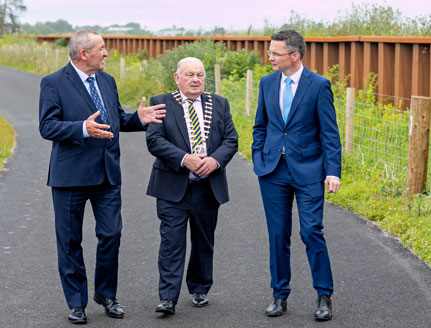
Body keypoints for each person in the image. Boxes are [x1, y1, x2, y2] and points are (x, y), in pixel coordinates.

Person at [38, 30, 166, 324]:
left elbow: (116, 120)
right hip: (70, 177)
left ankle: (107, 294)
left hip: (108, 174)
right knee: (70, 242)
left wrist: (138, 119)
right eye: (102, 48)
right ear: (84, 54)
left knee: (111, 234)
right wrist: (81, 128)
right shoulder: (54, 83)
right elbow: (47, 126)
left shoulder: (107, 81)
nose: (107, 53)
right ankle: (76, 302)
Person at [251, 29, 342, 321]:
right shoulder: (266, 83)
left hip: (309, 170)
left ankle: (323, 295)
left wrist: (333, 172)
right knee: (278, 234)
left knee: (311, 230)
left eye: (275, 53)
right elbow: (260, 126)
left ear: (294, 55)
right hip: (272, 171)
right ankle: (279, 295)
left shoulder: (318, 85)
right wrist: (258, 156)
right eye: (270, 51)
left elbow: (330, 134)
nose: (270, 57)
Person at [145, 57, 238, 315]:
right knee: (171, 242)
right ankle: (167, 297)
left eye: (199, 75)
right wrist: (185, 159)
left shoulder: (218, 104)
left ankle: (199, 288)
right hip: (172, 184)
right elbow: (154, 141)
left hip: (207, 186)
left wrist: (215, 161)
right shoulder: (160, 103)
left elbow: (231, 139)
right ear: (177, 78)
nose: (195, 79)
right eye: (189, 75)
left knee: (203, 241)